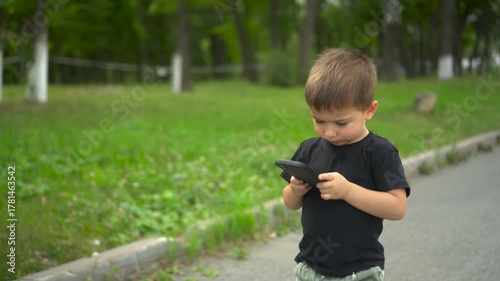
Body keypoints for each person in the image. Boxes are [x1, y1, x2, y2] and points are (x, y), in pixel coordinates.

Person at [280, 48, 410, 281]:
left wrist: (348, 191)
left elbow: (397, 208)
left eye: (341, 122)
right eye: (318, 120)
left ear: (369, 110)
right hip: (310, 268)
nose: (329, 131)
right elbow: (290, 203)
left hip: (358, 271)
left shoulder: (380, 153)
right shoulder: (309, 149)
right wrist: (294, 190)